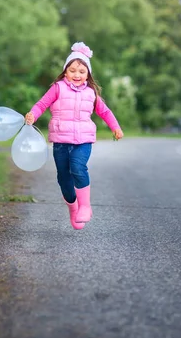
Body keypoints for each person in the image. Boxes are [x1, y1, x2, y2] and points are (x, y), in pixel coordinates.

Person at [25, 42, 123, 230]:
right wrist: (32, 115)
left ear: (88, 74)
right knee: (63, 178)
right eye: (72, 70)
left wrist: (115, 128)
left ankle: (85, 206)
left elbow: (106, 112)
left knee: (78, 168)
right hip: (61, 141)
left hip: (83, 141)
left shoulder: (91, 93)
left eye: (81, 71)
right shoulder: (58, 88)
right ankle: (73, 207)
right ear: (65, 72)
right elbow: (41, 105)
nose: (77, 75)